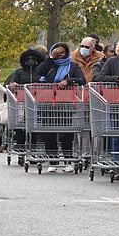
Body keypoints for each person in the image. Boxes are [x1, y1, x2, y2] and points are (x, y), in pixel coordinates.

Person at [37, 43, 86, 171]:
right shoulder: (50, 65)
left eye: (62, 52)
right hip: (48, 103)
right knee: (49, 132)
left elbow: (82, 80)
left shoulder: (72, 66)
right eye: (57, 52)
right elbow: (40, 72)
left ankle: (68, 160)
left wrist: (68, 81)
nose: (60, 54)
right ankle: (53, 161)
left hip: (65, 104)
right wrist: (51, 58)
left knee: (66, 133)